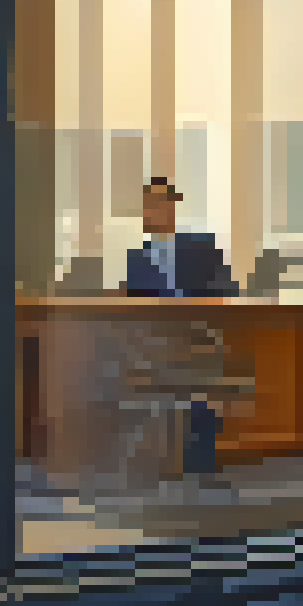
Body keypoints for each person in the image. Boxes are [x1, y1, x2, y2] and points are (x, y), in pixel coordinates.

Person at [124, 176, 235, 476]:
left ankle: (199, 464)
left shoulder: (202, 248)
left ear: (173, 208)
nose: (151, 211)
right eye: (147, 205)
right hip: (156, 345)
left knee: (199, 392)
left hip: (200, 336)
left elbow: (227, 290)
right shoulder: (135, 260)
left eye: (159, 203)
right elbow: (130, 310)